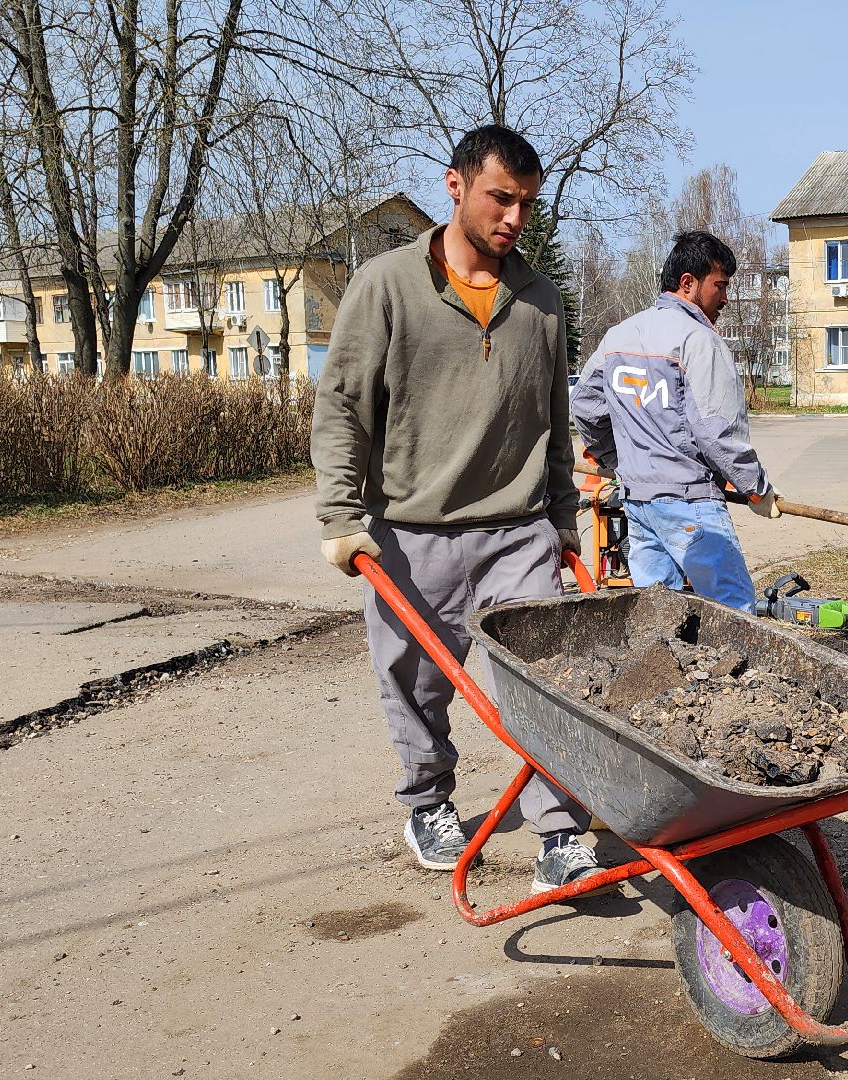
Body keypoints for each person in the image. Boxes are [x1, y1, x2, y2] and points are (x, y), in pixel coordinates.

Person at [312, 124, 605, 896]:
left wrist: (565, 517)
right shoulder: (386, 286)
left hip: (518, 531)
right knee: (413, 682)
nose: (513, 218)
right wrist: (341, 519)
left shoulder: (539, 300)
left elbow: (552, 416)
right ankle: (429, 801)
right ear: (456, 186)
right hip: (413, 533)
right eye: (499, 198)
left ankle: (561, 832)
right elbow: (342, 407)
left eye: (526, 205)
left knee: (549, 683)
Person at [571, 230, 780, 613]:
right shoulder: (698, 341)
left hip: (638, 503)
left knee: (659, 614)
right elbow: (718, 434)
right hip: (691, 504)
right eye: (720, 286)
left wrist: (618, 462)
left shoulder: (619, 336)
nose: (726, 299)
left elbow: (585, 407)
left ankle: (666, 673)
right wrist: (757, 488)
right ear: (689, 283)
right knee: (735, 611)